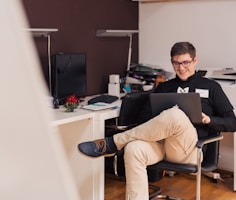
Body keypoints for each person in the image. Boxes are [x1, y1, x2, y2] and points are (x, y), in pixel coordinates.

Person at [78, 41, 236, 200]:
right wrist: (160, 119)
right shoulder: (164, 87)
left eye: (186, 62)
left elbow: (232, 122)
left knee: (175, 114)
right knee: (134, 148)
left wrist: (209, 120)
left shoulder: (211, 87)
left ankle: (113, 142)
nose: (181, 67)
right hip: (160, 145)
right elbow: (143, 119)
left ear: (195, 61)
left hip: (190, 149)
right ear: (172, 62)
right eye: (176, 63)